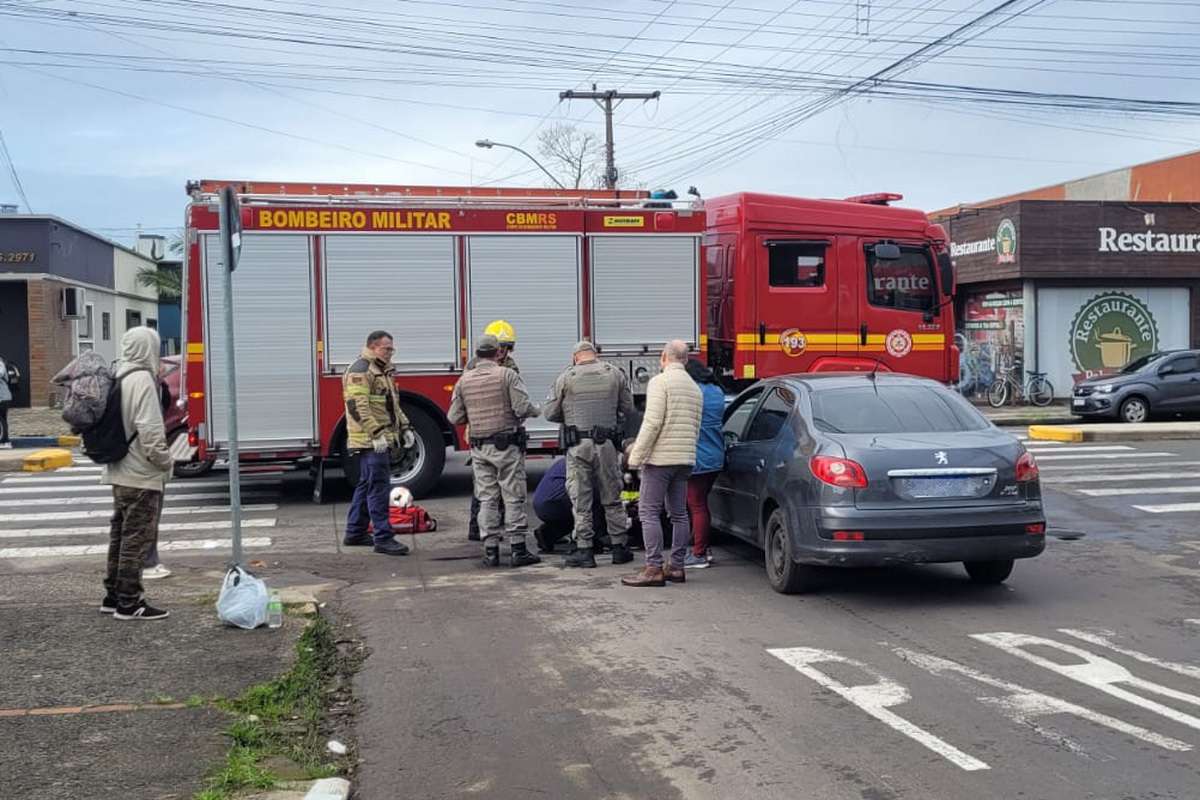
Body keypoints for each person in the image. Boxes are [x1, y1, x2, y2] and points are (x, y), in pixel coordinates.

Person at [448, 334, 541, 568]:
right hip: (507, 445)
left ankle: (490, 551)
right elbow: (521, 407)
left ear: (477, 353)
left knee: (486, 498)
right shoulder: (507, 375)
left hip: (479, 448)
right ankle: (518, 549)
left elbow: (454, 416)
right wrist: (535, 410)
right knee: (513, 496)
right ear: (497, 352)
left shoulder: (464, 380)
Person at [101, 327, 174, 620]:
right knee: (136, 539)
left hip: (118, 469)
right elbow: (151, 433)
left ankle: (112, 595)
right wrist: (166, 461)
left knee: (119, 536)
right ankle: (130, 603)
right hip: (140, 473)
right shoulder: (143, 380)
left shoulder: (118, 375)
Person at [545, 340, 635, 568]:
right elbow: (628, 407)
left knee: (581, 499)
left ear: (576, 357)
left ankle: (584, 550)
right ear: (595, 355)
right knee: (612, 497)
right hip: (606, 445)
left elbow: (550, 413)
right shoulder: (614, 373)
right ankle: (619, 547)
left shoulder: (566, 377)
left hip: (578, 446)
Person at [621, 340, 702, 588]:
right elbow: (696, 427)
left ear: (664, 358)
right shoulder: (694, 388)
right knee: (678, 513)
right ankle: (676, 566)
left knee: (648, 511)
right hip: (684, 459)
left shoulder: (659, 382)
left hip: (660, 460)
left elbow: (652, 423)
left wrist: (636, 457)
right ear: (686, 360)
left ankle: (653, 568)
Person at [342, 330, 417, 556]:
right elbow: (358, 407)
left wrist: (405, 427)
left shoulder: (382, 371)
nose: (390, 353)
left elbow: (393, 406)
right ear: (373, 347)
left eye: (392, 349)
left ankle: (355, 532)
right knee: (378, 487)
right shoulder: (362, 371)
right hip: (370, 440)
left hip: (377, 438)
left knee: (367, 484)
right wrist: (376, 434)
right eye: (387, 349)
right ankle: (383, 538)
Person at [466, 320, 520, 542]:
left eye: (506, 348)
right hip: (481, 432)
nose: (502, 352)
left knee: (504, 486)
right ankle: (477, 528)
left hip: (503, 433)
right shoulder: (473, 367)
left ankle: (501, 528)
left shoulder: (511, 366)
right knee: (484, 486)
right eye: (500, 347)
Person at [684, 359, 725, 569]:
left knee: (696, 504)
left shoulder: (693, 392)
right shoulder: (716, 391)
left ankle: (698, 553)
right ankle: (702, 548)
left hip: (698, 457)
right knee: (700, 503)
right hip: (716, 455)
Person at [531, 457, 611, 554]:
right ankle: (594, 540)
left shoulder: (569, 459)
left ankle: (547, 534)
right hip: (558, 502)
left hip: (541, 504)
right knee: (590, 504)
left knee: (577, 510)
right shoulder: (588, 462)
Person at [0, 353, 15, 448]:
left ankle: (5, 441)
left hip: (2, 397)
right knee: (2, 419)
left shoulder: (0, 363)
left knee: (2, 419)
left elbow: (0, 373)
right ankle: (5, 441)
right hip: (3, 396)